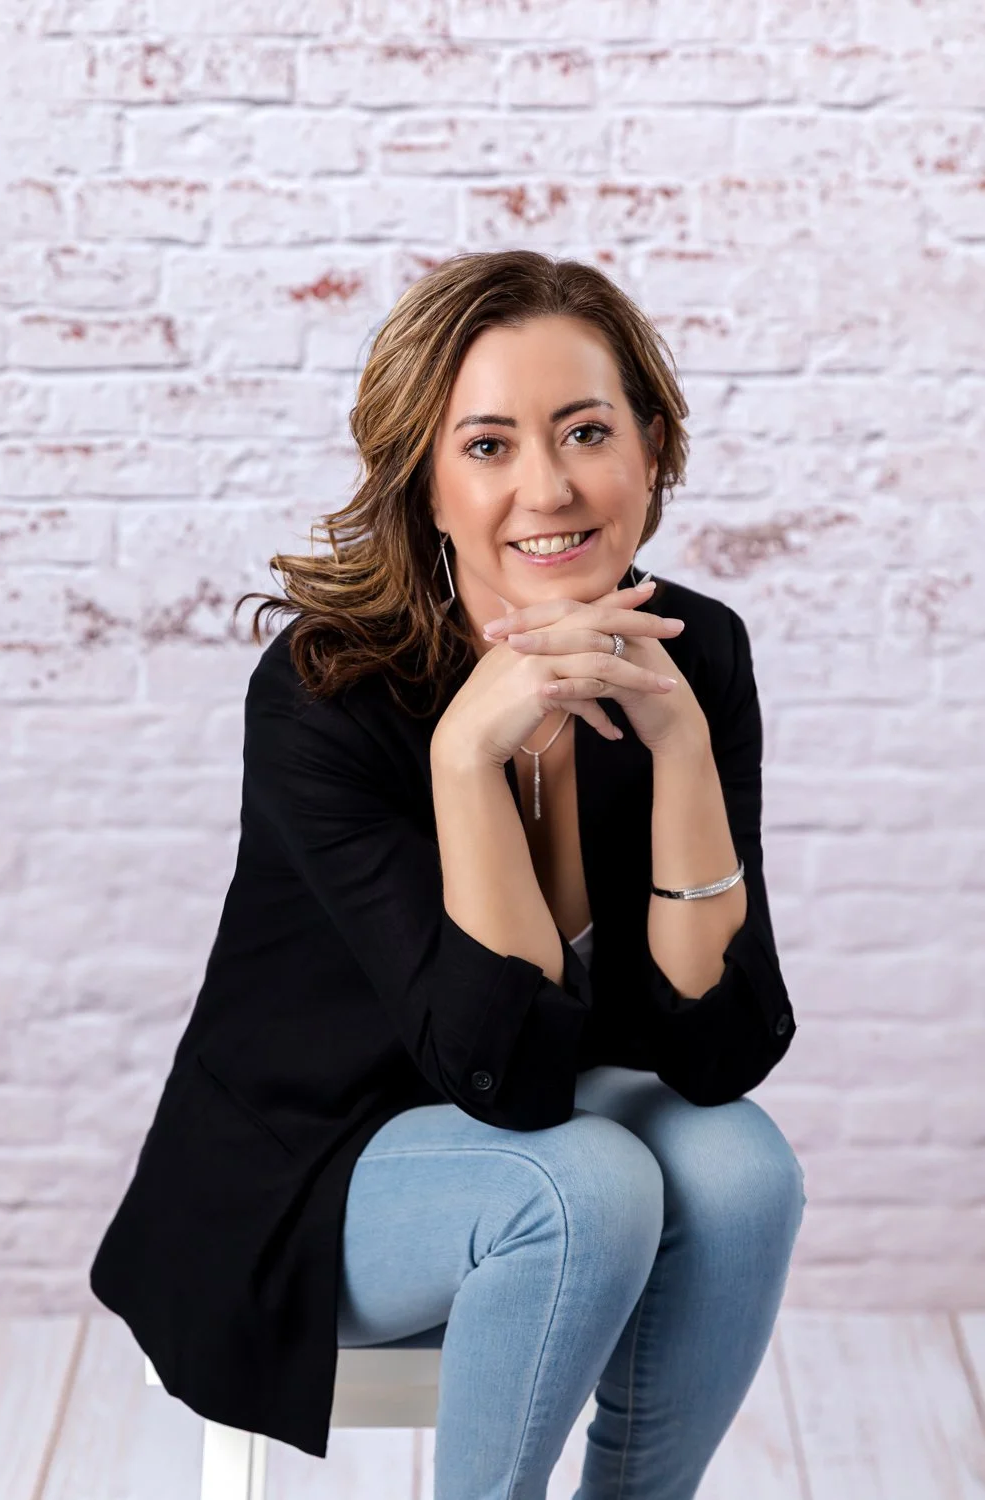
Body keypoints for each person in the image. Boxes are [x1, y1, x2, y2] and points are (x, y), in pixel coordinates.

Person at [88, 250, 805, 1500]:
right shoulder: (323, 693)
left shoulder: (694, 654)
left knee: (744, 1168)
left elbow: (720, 1051)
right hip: (311, 1177)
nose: (548, 487)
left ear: (650, 451)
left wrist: (682, 745)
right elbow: (506, 1082)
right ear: (424, 483)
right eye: (486, 446)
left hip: (549, 1144)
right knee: (580, 1187)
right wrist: (466, 757)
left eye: (586, 431)